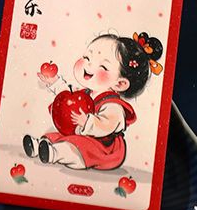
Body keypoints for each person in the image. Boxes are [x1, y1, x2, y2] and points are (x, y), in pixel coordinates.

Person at [23, 31, 163, 170]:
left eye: (103, 66)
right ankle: (39, 146)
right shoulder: (86, 93)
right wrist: (55, 82)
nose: (88, 65)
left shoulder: (113, 105)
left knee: (77, 147)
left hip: (103, 147)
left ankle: (54, 153)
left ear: (120, 84)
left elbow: (108, 124)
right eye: (87, 57)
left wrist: (88, 122)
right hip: (81, 134)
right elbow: (68, 97)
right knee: (58, 136)